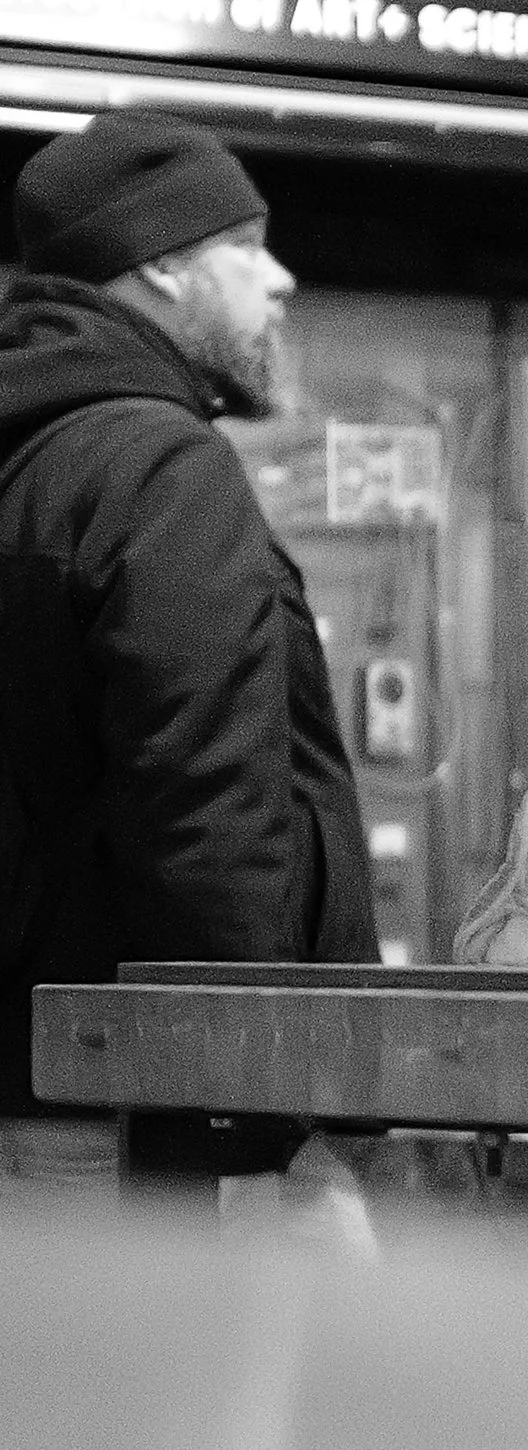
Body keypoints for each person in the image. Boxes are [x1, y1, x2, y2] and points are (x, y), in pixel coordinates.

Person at [0, 112, 377, 1191]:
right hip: (152, 1131)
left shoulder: (33, 458)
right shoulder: (160, 469)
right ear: (161, 263)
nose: (282, 279)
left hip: (37, 1093)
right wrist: (250, 1115)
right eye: (246, 248)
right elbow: (205, 805)